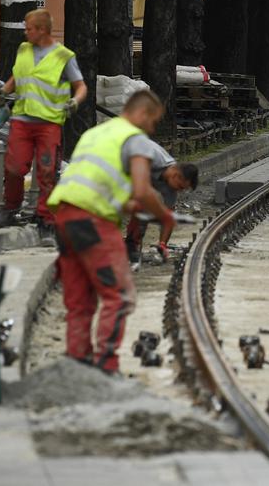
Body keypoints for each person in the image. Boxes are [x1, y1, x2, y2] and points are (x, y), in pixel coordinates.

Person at [46, 89, 175, 374]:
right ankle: (107, 366)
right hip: (94, 223)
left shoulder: (95, 135)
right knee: (119, 295)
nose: (152, 129)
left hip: (66, 219)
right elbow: (143, 190)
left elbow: (99, 184)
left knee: (79, 297)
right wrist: (164, 214)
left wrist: (127, 204)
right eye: (153, 122)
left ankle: (77, 361)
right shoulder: (136, 139)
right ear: (142, 114)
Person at [0, 8, 87, 229]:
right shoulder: (24, 50)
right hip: (22, 120)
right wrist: (4, 91)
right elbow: (19, 74)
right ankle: (10, 209)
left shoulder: (63, 56)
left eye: (29, 29)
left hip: (49, 123)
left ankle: (46, 219)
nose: (26, 33)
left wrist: (75, 102)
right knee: (13, 168)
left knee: (47, 171)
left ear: (42, 30)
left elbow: (81, 87)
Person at [125, 140, 198, 264]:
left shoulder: (171, 189)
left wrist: (162, 244)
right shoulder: (154, 157)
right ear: (176, 174)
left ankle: (131, 246)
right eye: (180, 187)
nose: (179, 191)